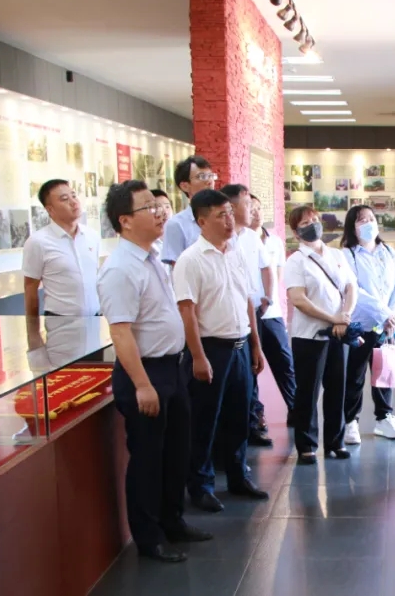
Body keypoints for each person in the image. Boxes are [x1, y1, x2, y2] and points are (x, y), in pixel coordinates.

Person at [97, 180, 212, 563]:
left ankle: (172, 521)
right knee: (148, 459)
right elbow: (121, 332)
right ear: (126, 220)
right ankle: (148, 538)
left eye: (159, 206)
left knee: (176, 453)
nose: (160, 212)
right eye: (149, 207)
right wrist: (142, 385)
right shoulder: (119, 269)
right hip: (146, 374)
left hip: (172, 369)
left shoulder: (152, 257)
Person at [172, 189, 269, 514]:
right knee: (205, 420)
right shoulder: (190, 260)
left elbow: (247, 301)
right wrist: (198, 356)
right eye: (221, 215)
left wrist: (255, 345)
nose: (229, 220)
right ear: (202, 222)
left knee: (239, 417)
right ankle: (201, 486)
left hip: (240, 346)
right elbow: (187, 311)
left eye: (230, 212)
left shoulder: (237, 252)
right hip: (211, 349)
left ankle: (239, 476)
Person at [283, 205, 358, 464]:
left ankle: (336, 442)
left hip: (339, 333)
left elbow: (350, 287)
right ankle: (306, 445)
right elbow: (298, 299)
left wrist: (344, 316)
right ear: (296, 231)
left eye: (315, 219)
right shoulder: (295, 261)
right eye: (305, 222)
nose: (312, 225)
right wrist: (332, 318)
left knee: (337, 388)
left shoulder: (336, 254)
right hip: (309, 336)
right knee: (308, 391)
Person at [340, 205, 395, 443]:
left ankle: (384, 418)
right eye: (361, 220)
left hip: (386, 326)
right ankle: (351, 421)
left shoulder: (388, 251)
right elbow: (354, 290)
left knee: (384, 372)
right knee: (355, 375)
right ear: (352, 227)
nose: (368, 223)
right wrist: (383, 313)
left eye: (371, 219)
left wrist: (392, 315)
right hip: (360, 323)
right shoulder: (348, 255)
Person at [220, 184, 276, 447]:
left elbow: (266, 268)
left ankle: (251, 426)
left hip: (251, 313)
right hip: (226, 322)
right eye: (247, 204)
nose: (253, 209)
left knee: (250, 372)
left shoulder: (252, 237)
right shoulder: (222, 243)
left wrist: (267, 298)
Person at [249, 194, 298, 426]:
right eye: (251, 208)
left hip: (272, 312)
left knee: (285, 362)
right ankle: (255, 415)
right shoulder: (239, 241)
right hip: (249, 314)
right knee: (252, 366)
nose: (256, 213)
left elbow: (277, 277)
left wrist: (271, 302)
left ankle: (295, 408)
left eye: (259, 208)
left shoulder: (274, 242)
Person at [22, 179, 100, 317]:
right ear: (50, 209)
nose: (73, 202)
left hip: (95, 318)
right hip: (60, 320)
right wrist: (33, 328)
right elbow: (30, 288)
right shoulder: (38, 242)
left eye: (74, 196)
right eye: (64, 199)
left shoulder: (92, 236)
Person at [161, 156, 217, 266]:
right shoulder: (176, 224)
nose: (209, 181)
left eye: (211, 176)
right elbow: (178, 267)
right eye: (202, 176)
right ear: (185, 186)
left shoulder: (223, 218)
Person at [150, 188, 173, 257]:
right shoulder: (149, 244)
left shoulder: (179, 236)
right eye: (158, 207)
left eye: (167, 207)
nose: (165, 212)